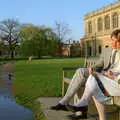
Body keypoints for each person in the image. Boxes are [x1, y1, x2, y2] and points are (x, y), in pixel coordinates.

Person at [50, 29, 120, 120]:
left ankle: (81, 107)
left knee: (93, 78)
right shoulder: (109, 50)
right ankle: (65, 102)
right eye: (111, 40)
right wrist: (93, 68)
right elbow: (101, 63)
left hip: (113, 80)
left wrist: (112, 74)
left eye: (114, 41)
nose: (112, 43)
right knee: (81, 71)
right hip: (104, 75)